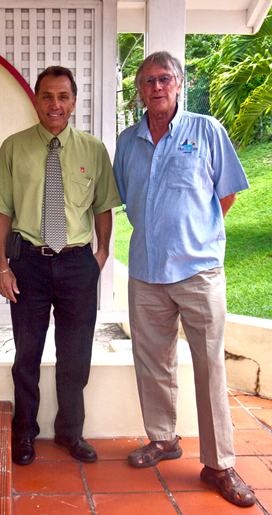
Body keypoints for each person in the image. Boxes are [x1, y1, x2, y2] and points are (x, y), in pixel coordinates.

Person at [113, 51, 255, 507]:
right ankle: (163, 439)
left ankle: (220, 464)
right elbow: (127, 201)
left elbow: (226, 193)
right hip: (147, 273)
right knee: (153, 362)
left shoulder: (206, 130)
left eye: (164, 78)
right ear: (139, 90)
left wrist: (197, 236)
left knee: (210, 367)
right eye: (147, 80)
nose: (156, 86)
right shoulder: (127, 141)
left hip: (198, 272)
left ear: (179, 83)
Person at [0, 66, 120, 465]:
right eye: (47, 96)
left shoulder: (93, 150)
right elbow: (2, 213)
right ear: (36, 100)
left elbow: (103, 207)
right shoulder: (13, 147)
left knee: (75, 356)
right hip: (28, 266)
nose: (55, 104)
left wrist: (102, 254)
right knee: (27, 354)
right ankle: (24, 433)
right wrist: (2, 266)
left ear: (74, 102)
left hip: (78, 263)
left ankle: (70, 433)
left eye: (63, 97)